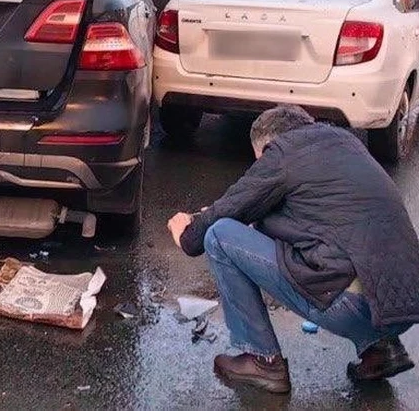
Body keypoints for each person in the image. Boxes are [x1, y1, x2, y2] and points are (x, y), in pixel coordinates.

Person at [168, 105, 419, 394]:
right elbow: (313, 222)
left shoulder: (283, 153)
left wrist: (188, 231)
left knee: (219, 235)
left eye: (258, 160)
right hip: (401, 308)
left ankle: (262, 360)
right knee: (347, 249)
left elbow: (225, 212)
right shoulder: (346, 144)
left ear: (267, 146)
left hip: (350, 307)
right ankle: (381, 349)